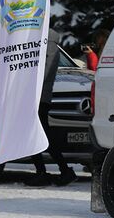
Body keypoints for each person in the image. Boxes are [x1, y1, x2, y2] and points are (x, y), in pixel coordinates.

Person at [25, 29, 78, 187]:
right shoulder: (48, 41)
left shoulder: (45, 41)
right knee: (38, 134)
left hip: (37, 96)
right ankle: (57, 170)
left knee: (38, 135)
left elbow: (43, 71)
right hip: (40, 96)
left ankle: (49, 172)